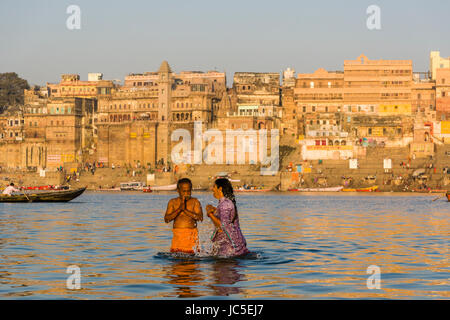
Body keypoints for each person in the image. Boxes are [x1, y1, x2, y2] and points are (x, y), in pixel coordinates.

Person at [206, 178, 249, 257]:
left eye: (214, 186)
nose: (212, 189)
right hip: (230, 244)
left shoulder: (225, 204)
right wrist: (214, 210)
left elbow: (222, 225)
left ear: (220, 188)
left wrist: (210, 214)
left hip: (230, 246)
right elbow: (224, 217)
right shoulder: (226, 203)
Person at [164, 178, 203, 254]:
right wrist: (179, 209)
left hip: (191, 237)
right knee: (176, 261)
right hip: (177, 238)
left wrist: (185, 210)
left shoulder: (195, 202)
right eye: (184, 191)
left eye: (189, 191)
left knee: (191, 261)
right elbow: (166, 219)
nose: (186, 193)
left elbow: (200, 218)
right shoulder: (173, 202)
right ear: (178, 191)